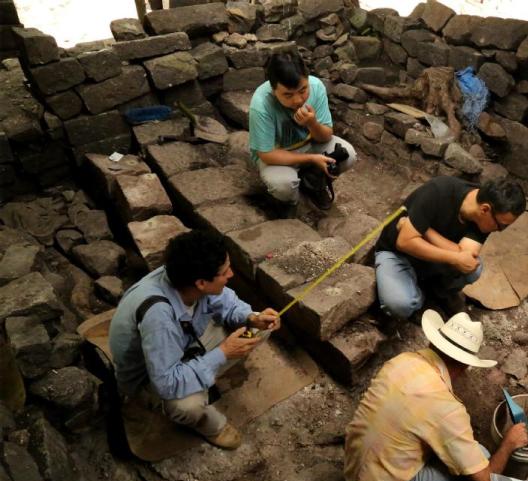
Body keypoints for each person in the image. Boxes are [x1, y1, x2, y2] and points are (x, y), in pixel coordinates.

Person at [108, 230, 281, 450]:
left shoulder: (185, 274)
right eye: (224, 271)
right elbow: (166, 384)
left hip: (185, 342)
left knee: (258, 329)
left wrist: (251, 318)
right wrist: (224, 353)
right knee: (187, 407)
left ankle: (204, 372)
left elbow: (225, 300)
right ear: (201, 282)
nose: (231, 274)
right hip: (152, 377)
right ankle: (210, 425)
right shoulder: (159, 317)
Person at [343, 310, 528, 481]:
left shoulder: (402, 361)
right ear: (465, 365)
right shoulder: (447, 409)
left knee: (437, 439)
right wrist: (509, 443)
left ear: (433, 342)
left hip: (352, 464)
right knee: (481, 456)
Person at [374, 176, 526, 320]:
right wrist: (455, 257)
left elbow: (466, 255)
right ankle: (422, 299)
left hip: (431, 261)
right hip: (398, 254)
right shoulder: (438, 191)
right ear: (485, 209)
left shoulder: (484, 216)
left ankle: (437, 292)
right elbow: (405, 243)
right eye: (501, 225)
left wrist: (425, 231)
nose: (499, 230)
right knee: (399, 305)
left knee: (473, 268)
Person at [249, 52, 357, 212]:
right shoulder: (261, 105)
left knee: (348, 155)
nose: (298, 100)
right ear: (273, 89)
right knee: (283, 187)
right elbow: (267, 154)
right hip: (278, 155)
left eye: (302, 90)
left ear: (307, 78)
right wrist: (312, 159)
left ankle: (313, 183)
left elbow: (326, 136)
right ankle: (292, 202)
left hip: (309, 144)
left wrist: (312, 123)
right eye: (288, 95)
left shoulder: (316, 87)